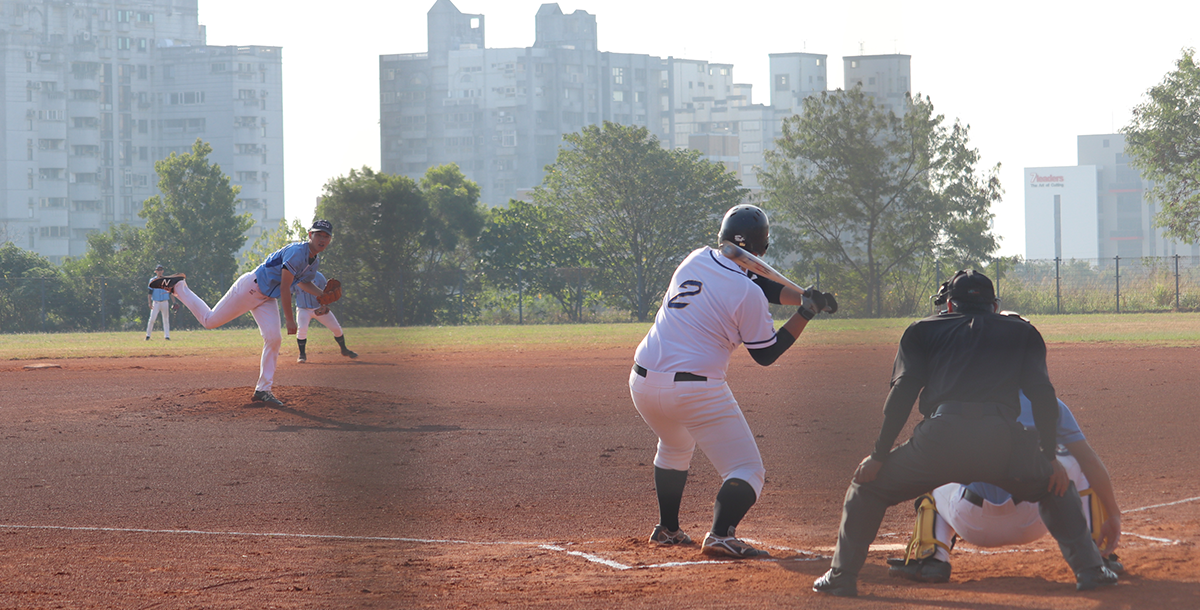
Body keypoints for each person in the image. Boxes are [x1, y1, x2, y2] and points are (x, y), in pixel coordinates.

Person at [812, 269, 1118, 597]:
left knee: (866, 488)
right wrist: (1047, 458)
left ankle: (843, 576)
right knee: (1055, 486)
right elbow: (1043, 395)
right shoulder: (1022, 332)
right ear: (995, 305)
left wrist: (878, 455)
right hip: (1001, 440)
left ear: (948, 305)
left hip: (939, 438)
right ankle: (1091, 570)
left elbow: (901, 395)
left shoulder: (921, 331)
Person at [630, 204, 837, 559]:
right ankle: (721, 535)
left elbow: (750, 280)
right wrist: (805, 312)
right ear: (764, 249)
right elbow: (766, 353)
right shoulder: (748, 294)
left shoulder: (694, 259)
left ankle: (668, 529)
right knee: (747, 470)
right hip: (695, 389)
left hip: (643, 381)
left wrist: (801, 297)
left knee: (676, 444)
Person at [887, 391, 1123, 584]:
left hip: (971, 522)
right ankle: (1096, 554)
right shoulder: (1048, 403)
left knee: (932, 471)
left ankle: (930, 560)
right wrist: (1113, 513)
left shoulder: (956, 405)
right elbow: (1090, 462)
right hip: (1037, 514)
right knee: (1075, 462)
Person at [150, 219, 335, 406]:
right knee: (209, 321)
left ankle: (263, 390)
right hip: (250, 288)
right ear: (310, 235)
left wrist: (322, 295)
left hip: (267, 298)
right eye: (318, 234)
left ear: (329, 240)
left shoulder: (314, 261)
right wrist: (289, 319)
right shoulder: (297, 252)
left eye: (326, 236)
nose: (322, 239)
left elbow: (303, 282)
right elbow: (286, 287)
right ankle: (179, 287)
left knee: (273, 338)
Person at [292, 270, 358, 363]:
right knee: (302, 329)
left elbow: (327, 294)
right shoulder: (295, 277)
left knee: (336, 328)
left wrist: (325, 306)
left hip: (319, 308)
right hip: (303, 309)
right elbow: (289, 292)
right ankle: (302, 354)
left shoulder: (319, 276)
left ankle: (344, 349)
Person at [145, 264, 177, 341]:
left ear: (163, 271)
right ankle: (148, 335)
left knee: (166, 319)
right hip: (156, 302)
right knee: (152, 319)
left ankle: (167, 336)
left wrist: (174, 302)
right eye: (158, 270)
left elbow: (170, 292)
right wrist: (149, 303)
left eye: (161, 270)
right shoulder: (152, 280)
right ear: (156, 271)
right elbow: (150, 292)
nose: (160, 271)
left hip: (165, 302)